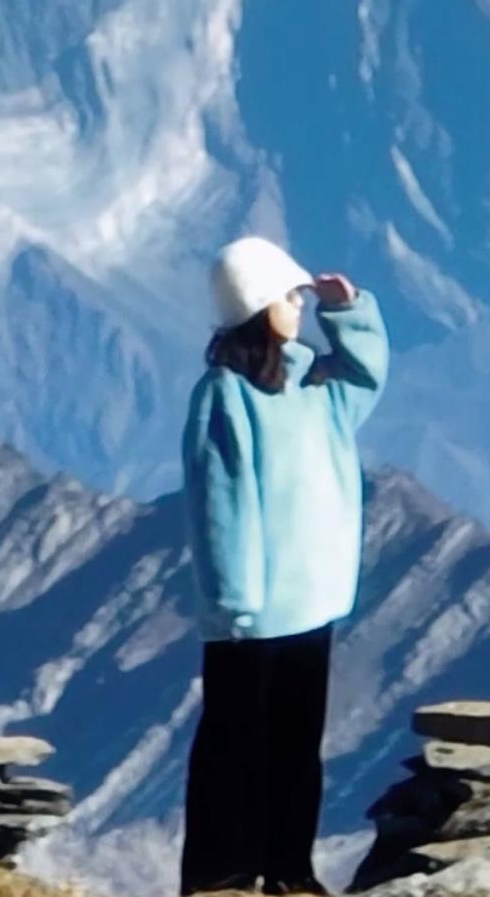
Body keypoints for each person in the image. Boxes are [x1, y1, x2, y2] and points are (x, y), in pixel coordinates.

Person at [178, 234, 389, 895]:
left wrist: (349, 312)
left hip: (312, 603)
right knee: (231, 753)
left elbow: (365, 376)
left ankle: (289, 872)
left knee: (297, 752)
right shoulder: (223, 395)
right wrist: (233, 598)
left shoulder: (313, 384)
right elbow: (221, 504)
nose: (299, 303)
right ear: (260, 305)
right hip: (253, 610)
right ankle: (222, 877)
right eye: (290, 295)